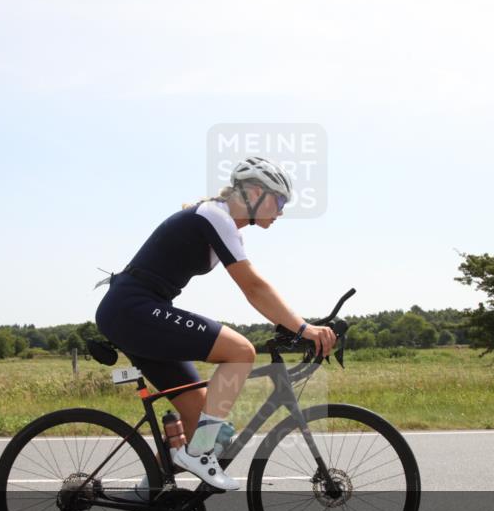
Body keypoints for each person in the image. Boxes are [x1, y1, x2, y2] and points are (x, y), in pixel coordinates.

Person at [94, 157, 337, 493]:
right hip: (132, 309)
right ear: (254, 192)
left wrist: (289, 324)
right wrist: (302, 328)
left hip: (136, 313)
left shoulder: (220, 221)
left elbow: (255, 291)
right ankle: (195, 456)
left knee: (202, 416)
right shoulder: (215, 216)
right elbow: (253, 287)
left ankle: (149, 494)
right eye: (279, 201)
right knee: (240, 351)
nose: (281, 211)